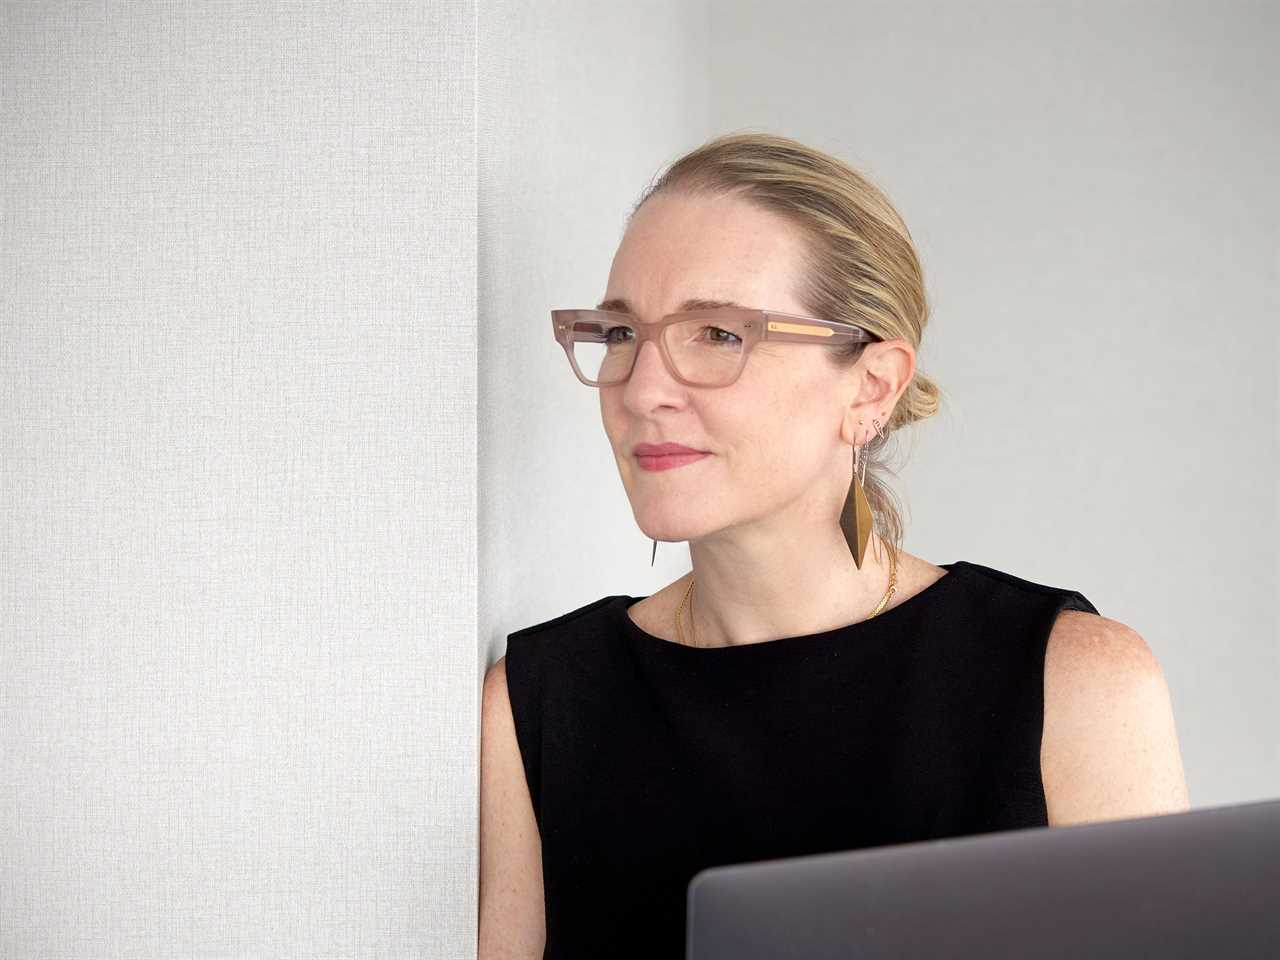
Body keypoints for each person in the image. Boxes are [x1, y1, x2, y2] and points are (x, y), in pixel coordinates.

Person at [478, 132, 1189, 959]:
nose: (643, 390)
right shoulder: (540, 701)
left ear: (871, 387)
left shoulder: (1071, 683)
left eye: (718, 334)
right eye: (622, 333)